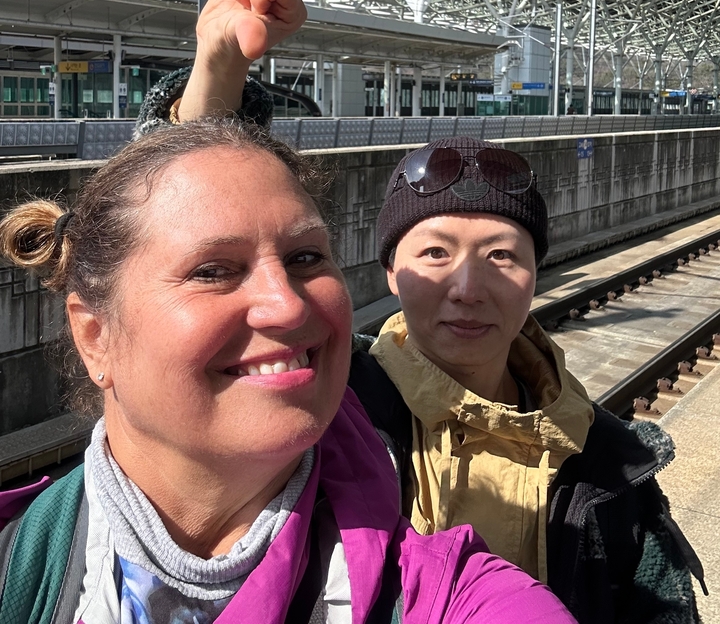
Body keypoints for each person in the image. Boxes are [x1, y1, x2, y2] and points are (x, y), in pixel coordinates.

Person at [155, 0, 706, 624]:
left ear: (536, 274)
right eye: (436, 253)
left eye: (503, 256)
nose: (468, 287)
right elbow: (178, 238)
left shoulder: (614, 463)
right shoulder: (322, 409)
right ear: (390, 271)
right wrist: (218, 69)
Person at [0, 122, 577, 623]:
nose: (289, 305)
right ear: (94, 337)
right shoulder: (20, 567)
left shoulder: (448, 590)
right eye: (213, 270)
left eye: (306, 258)